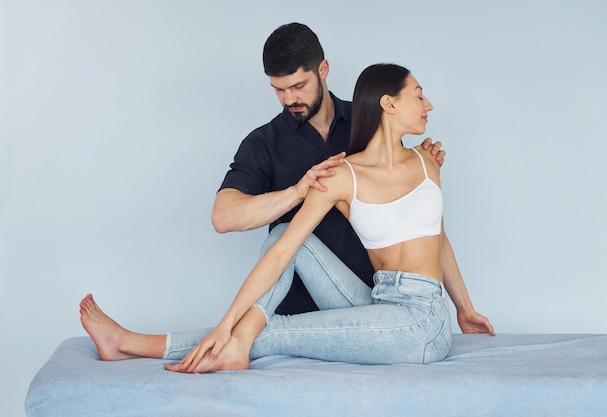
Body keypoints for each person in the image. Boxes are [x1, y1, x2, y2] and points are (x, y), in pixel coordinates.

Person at [80, 63, 494, 374]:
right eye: (419, 95)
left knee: (268, 331)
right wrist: (226, 324)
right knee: (283, 235)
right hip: (380, 300)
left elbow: (439, 238)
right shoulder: (341, 175)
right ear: (389, 104)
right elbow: (281, 253)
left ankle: (131, 343)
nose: (429, 104)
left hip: (422, 322)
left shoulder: (427, 163)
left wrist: (465, 307)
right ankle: (229, 341)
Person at [211, 22, 445, 315]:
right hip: (297, 309)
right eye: (278, 90)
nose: (289, 100)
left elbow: (416, 199)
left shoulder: (369, 123)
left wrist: (423, 162)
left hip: (369, 301)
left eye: (298, 86)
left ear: (323, 69)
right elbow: (223, 217)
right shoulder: (263, 143)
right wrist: (296, 193)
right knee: (281, 236)